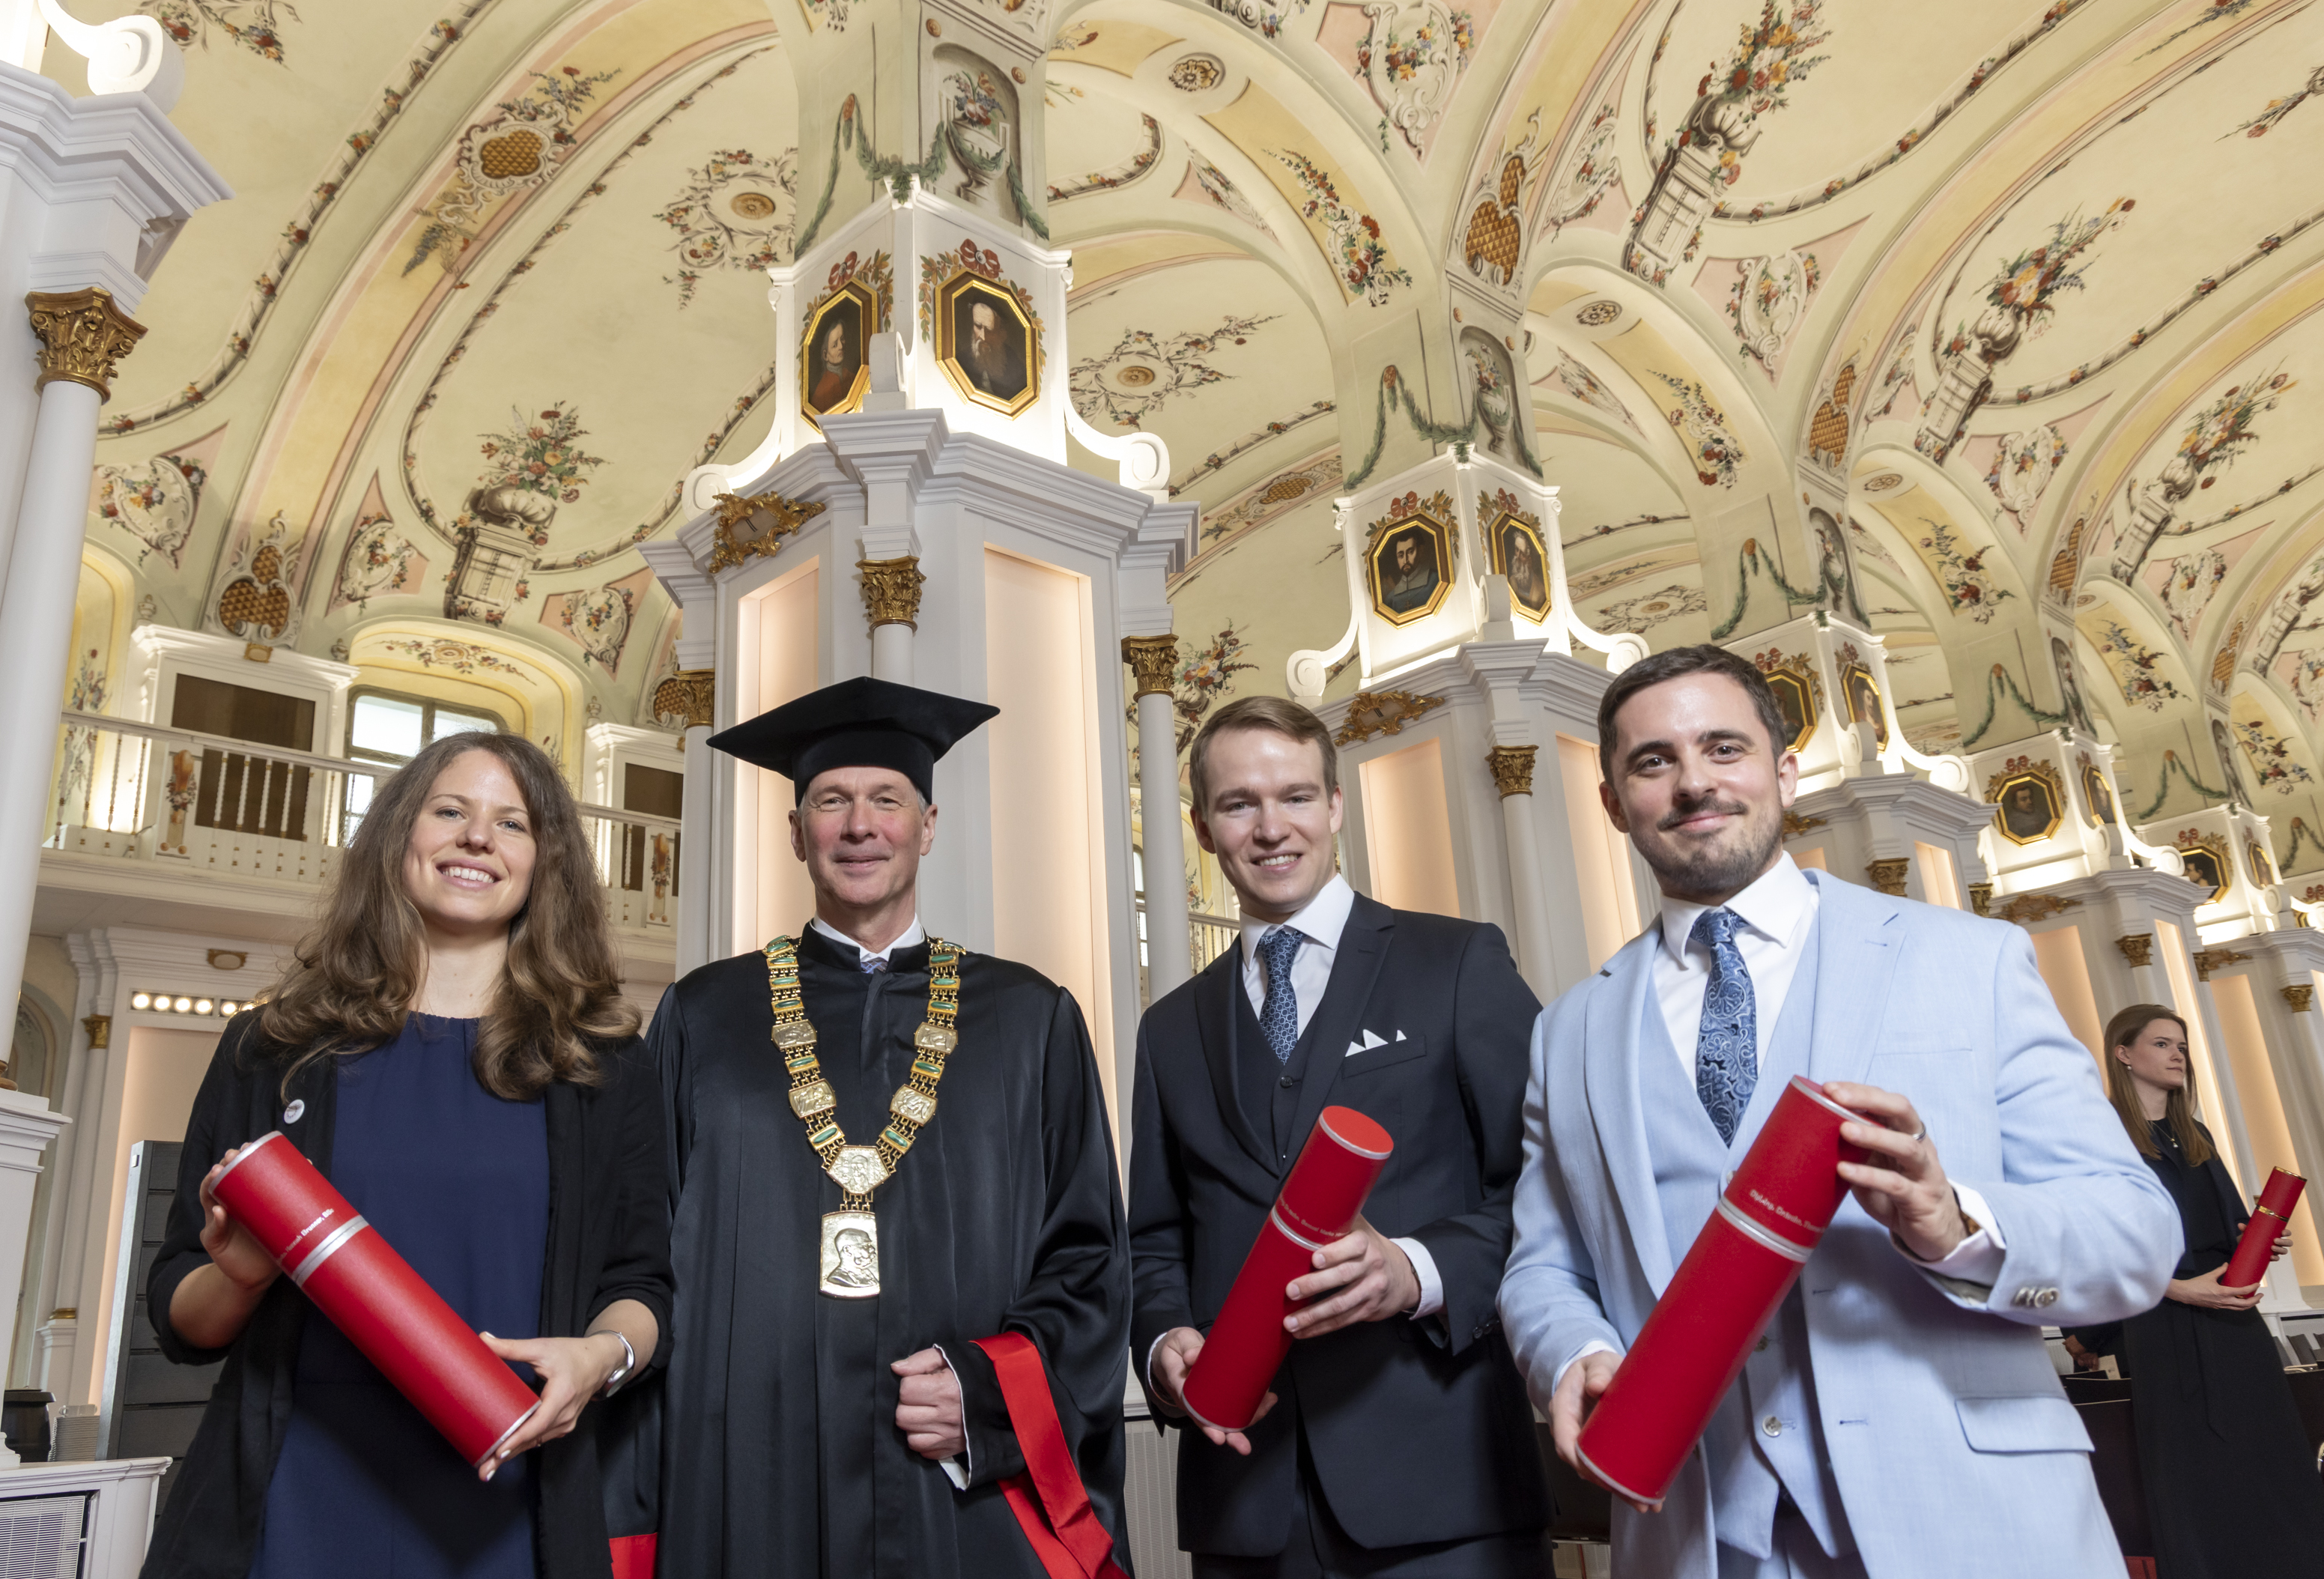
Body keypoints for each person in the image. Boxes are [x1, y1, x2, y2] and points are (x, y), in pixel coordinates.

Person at [1502, 644, 2180, 1579]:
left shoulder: (1969, 960)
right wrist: (1571, 1350)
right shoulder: (1569, 1029)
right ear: (1614, 801)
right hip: (1698, 1532)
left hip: (1970, 1521)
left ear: (1784, 771)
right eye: (1652, 761)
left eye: (1724, 747)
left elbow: (2135, 1234)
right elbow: (1543, 1264)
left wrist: (1961, 1226)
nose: (1694, 781)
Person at [142, 733, 672, 1579]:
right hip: (295, 1494)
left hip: (508, 1495)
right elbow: (179, 1322)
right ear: (399, 836)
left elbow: (642, 1285)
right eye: (450, 811)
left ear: (545, 863)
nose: (477, 838)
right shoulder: (273, 1048)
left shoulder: (603, 1066)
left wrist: (599, 1359)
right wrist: (240, 1276)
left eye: (512, 823)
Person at [634, 676, 1130, 1578]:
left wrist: (986, 1391)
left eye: (886, 800)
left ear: (927, 826)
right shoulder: (704, 1016)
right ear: (796, 833)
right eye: (830, 800)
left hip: (954, 1497)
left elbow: (1089, 1259)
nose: (860, 826)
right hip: (749, 1473)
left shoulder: (1028, 1018)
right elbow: (641, 1249)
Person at [1131, 695, 1553, 1578]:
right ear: (1202, 828)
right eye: (1238, 803)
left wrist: (1416, 1270)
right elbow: (1156, 1239)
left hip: (1446, 1487)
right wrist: (1166, 1342)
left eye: (1293, 796)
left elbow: (1554, 1191)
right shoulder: (1168, 1027)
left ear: (1334, 806)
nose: (1270, 827)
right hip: (1245, 1502)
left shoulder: (1457, 962)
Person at [2067, 1004, 2324, 1578]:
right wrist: (2181, 1291)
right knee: (2197, 1473)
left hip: (2232, 1324)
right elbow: (2094, 1244)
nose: (2178, 1054)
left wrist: (2259, 1242)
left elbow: (2231, 1223)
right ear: (2123, 1053)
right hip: (2163, 1321)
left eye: (2180, 1045)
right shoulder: (2100, 1136)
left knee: (2268, 1456)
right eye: (2162, 1044)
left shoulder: (2197, 1135)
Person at [958, 294, 1025, 399]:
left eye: (989, 330)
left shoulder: (1015, 366)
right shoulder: (960, 362)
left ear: (1002, 334)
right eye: (978, 326)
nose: (983, 337)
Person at [807, 315, 858, 413]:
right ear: (825, 355)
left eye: (842, 339)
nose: (841, 346)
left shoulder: (852, 376)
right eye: (835, 345)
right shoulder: (820, 394)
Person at [1380, 533, 1437, 614]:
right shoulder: (1391, 598)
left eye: (1410, 552)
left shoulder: (1436, 580)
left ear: (1420, 551)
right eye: (1401, 555)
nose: (1405, 560)